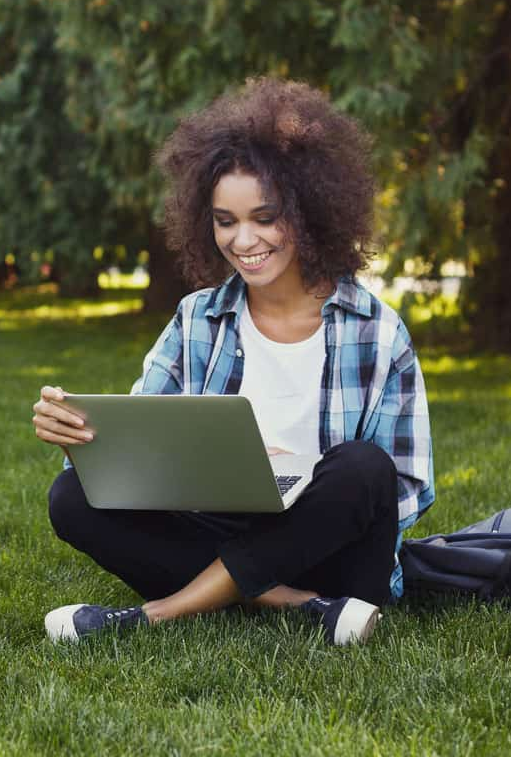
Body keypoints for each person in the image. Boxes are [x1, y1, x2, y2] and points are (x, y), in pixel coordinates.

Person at [32, 77, 434, 646]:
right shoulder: (198, 320)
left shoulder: (377, 330)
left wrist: (304, 483)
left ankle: (157, 615)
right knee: (70, 498)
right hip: (222, 528)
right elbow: (143, 448)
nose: (244, 240)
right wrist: (81, 441)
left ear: (310, 211)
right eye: (226, 221)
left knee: (364, 467)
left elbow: (405, 490)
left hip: (335, 554)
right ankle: (295, 606)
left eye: (265, 217)